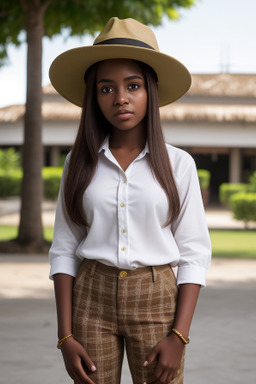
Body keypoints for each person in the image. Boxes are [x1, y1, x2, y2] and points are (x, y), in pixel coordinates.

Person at [48, 17, 211, 384]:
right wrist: (65, 335)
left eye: (132, 86)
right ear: (94, 97)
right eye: (106, 89)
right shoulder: (78, 163)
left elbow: (194, 253)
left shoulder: (179, 164)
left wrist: (179, 336)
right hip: (91, 297)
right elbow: (64, 247)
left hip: (156, 299)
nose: (120, 98)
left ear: (150, 91)